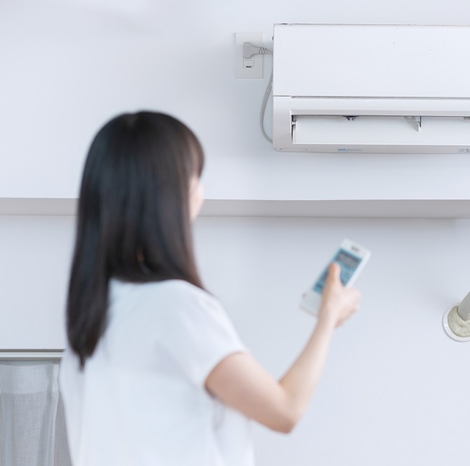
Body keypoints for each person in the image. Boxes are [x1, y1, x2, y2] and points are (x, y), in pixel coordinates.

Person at [59, 111, 360, 466]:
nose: (200, 191)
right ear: (170, 195)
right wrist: (327, 317)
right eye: (195, 177)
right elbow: (285, 411)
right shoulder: (176, 306)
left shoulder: (87, 326)